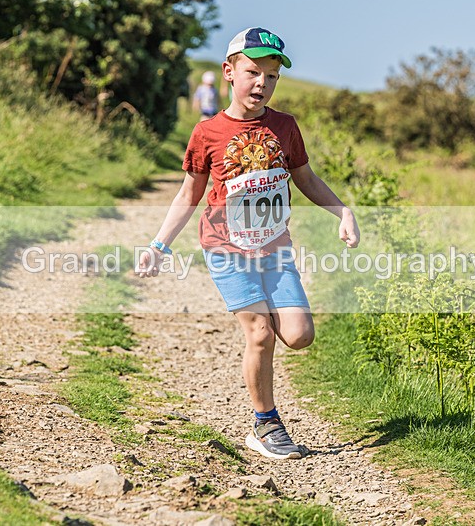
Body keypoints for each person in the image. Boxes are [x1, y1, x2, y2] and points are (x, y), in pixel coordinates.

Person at [136, 27, 360, 460]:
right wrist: (159, 246)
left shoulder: (285, 127)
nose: (262, 84)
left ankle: (263, 366)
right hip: (226, 248)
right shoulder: (207, 133)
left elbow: (306, 179)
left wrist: (343, 210)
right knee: (260, 334)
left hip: (274, 249)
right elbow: (189, 195)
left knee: (298, 335)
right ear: (228, 72)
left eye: (272, 76)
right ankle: (265, 425)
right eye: (254, 72)